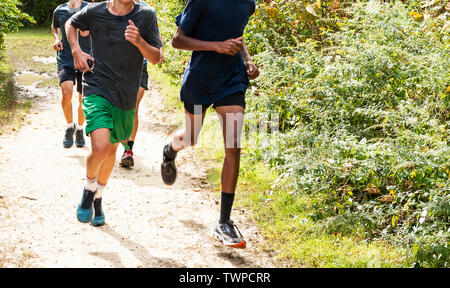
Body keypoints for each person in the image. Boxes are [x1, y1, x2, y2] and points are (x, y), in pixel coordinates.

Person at [160, 0, 260, 248]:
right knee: (191, 137)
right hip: (200, 82)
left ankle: (224, 222)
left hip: (231, 82)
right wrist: (216, 46)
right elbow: (178, 40)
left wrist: (247, 59)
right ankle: (170, 150)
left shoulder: (247, 3)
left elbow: (237, 35)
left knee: (233, 147)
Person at [66, 0, 163, 226]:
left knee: (110, 151)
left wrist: (139, 41)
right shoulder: (95, 10)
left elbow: (156, 57)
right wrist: (76, 50)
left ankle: (98, 198)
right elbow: (71, 23)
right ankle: (89, 189)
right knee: (100, 146)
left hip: (125, 95)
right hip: (96, 86)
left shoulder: (146, 15)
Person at [119, 0, 162, 168]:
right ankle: (116, 142)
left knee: (133, 106)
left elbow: (155, 36)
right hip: (117, 68)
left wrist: (160, 50)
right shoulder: (112, 7)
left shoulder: (146, 10)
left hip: (139, 66)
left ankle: (128, 150)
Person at [52, 0, 91, 148]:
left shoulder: (90, 9)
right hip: (65, 58)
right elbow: (54, 27)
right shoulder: (59, 10)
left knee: (83, 98)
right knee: (66, 93)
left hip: (84, 58)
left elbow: (101, 28)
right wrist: (56, 38)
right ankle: (70, 126)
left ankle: (80, 128)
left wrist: (90, 31)